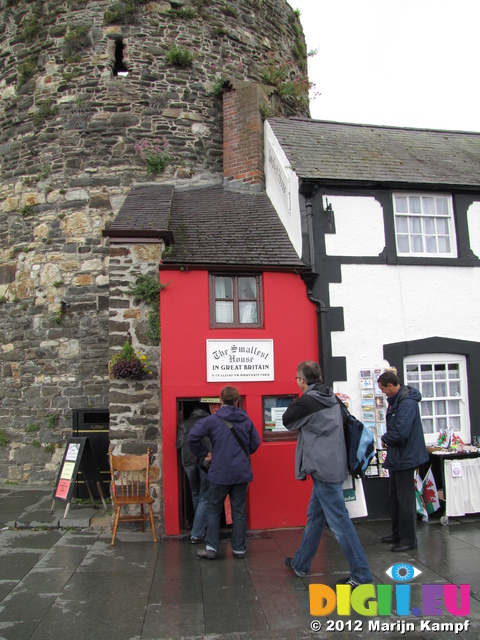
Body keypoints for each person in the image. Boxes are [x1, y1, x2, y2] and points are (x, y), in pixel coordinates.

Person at [282, 360, 373, 587]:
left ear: (303, 380)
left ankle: (361, 575)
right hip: (334, 464)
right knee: (315, 517)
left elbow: (287, 421)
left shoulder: (308, 401)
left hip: (323, 468)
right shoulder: (332, 397)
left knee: (340, 523)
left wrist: (299, 399)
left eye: (297, 378)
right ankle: (301, 563)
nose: (297, 382)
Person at [188, 386, 261, 559]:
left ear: (220, 400)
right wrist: (243, 454)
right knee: (239, 511)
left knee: (214, 509)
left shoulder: (213, 421)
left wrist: (204, 452)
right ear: (237, 401)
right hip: (241, 473)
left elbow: (192, 436)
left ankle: (212, 548)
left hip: (220, 472)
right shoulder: (246, 419)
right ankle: (239, 549)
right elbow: (255, 443)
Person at [377, 370, 429, 552]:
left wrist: (386, 438)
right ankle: (398, 533)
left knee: (405, 499)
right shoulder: (399, 400)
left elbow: (401, 432)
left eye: (384, 389)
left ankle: (408, 540)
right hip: (399, 456)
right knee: (395, 497)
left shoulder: (406, 403)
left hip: (406, 457)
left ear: (391, 386)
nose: (383, 393)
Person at [175, 404, 211, 543]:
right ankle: (201, 526)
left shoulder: (184, 424)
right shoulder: (210, 422)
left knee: (195, 492)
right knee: (205, 494)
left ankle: (198, 522)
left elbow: (179, 444)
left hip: (188, 461)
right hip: (205, 461)